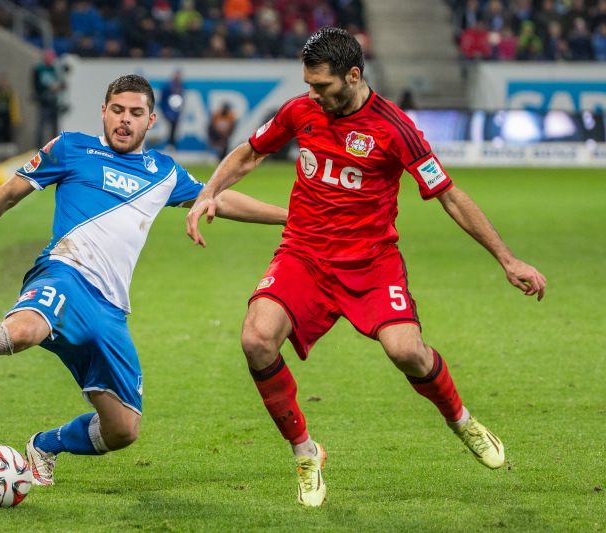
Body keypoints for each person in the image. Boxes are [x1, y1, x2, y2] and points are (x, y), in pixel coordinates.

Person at [0, 75, 287, 487]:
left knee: (123, 429)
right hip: (64, 273)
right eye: (117, 110)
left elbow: (218, 198)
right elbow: (9, 193)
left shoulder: (165, 172)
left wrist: (291, 218)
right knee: (21, 331)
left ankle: (45, 444)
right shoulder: (71, 148)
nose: (125, 120)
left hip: (110, 311)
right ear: (103, 111)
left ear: (151, 120)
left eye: (135, 113)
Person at [186, 27, 547, 508]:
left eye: (322, 86)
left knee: (408, 352)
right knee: (256, 338)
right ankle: (306, 452)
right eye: (308, 84)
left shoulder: (394, 129)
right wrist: (208, 193)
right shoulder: (301, 111)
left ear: (353, 75)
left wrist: (507, 258)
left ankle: (462, 421)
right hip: (304, 255)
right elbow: (251, 152)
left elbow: (450, 196)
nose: (313, 94)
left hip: (371, 264)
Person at [33, 49, 63, 149]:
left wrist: (58, 86)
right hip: (44, 100)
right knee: (42, 126)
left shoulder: (55, 70)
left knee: (55, 126)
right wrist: (48, 88)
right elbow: (36, 84)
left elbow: (61, 83)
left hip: (54, 101)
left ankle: (55, 146)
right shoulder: (39, 69)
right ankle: (38, 147)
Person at [160, 69, 184, 149]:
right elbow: (163, 99)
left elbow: (181, 98)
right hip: (168, 111)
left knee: (174, 128)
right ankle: (169, 144)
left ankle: (172, 144)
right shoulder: (168, 86)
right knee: (169, 128)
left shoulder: (181, 86)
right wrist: (164, 111)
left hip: (176, 112)